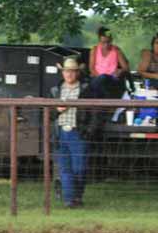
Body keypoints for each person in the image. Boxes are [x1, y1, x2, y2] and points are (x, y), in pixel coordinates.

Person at [49, 57, 98, 209]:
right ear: (62, 72)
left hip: (78, 132)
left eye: (72, 71)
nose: (69, 74)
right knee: (65, 168)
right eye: (66, 71)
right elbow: (49, 114)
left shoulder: (86, 90)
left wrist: (89, 131)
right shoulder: (55, 90)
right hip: (61, 132)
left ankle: (76, 196)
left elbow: (95, 113)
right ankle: (70, 200)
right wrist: (56, 109)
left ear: (77, 73)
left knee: (79, 168)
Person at [88, 26, 129, 98]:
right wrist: (100, 78)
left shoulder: (116, 50)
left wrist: (120, 71)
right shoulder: (94, 50)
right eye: (103, 42)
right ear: (99, 40)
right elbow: (91, 69)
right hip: (97, 78)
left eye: (108, 42)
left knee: (104, 81)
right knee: (101, 80)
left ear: (111, 40)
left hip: (111, 79)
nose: (106, 45)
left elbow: (126, 67)